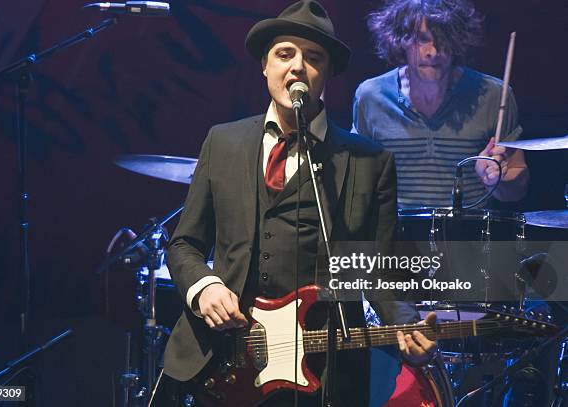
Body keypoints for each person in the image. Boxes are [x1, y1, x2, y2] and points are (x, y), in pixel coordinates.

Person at [163, 1, 436, 405]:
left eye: (313, 58)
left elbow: (379, 269)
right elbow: (184, 244)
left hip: (324, 367)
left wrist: (407, 325)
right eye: (284, 54)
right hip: (227, 359)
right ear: (265, 65)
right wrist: (204, 288)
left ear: (326, 74)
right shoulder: (222, 142)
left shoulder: (369, 161)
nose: (297, 67)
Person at [351, 0, 529, 208]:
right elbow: (357, 182)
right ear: (400, 40)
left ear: (457, 42)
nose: (433, 52)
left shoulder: (494, 95)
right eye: (422, 39)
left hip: (466, 235)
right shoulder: (371, 96)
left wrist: (496, 180)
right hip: (395, 235)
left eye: (443, 40)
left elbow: (518, 190)